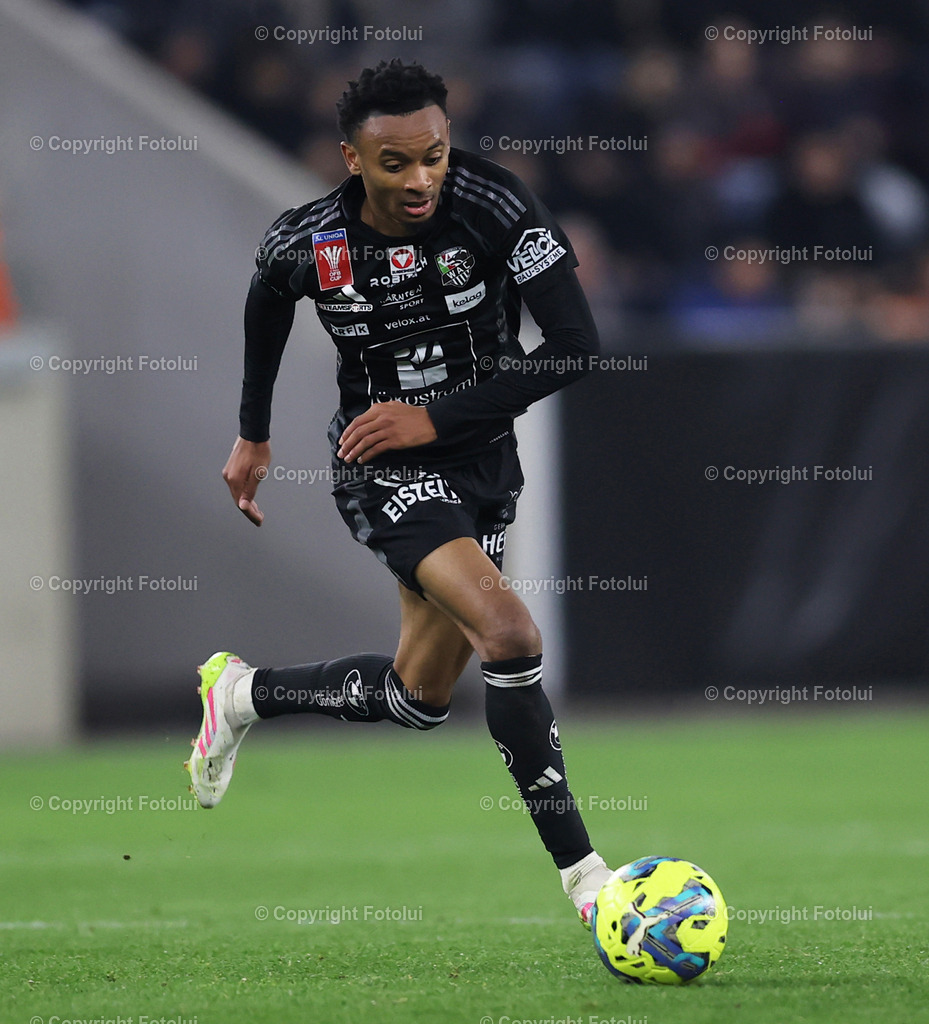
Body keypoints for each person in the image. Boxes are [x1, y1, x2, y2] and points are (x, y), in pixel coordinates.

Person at [185, 59, 611, 927]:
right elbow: (266, 299)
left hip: (481, 464)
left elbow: (574, 346)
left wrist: (439, 415)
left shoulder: (494, 207)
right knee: (509, 631)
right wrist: (252, 431)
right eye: (395, 163)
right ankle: (589, 879)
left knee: (418, 699)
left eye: (434, 157)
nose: (419, 179)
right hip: (377, 465)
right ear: (352, 157)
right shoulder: (308, 242)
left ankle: (241, 694)